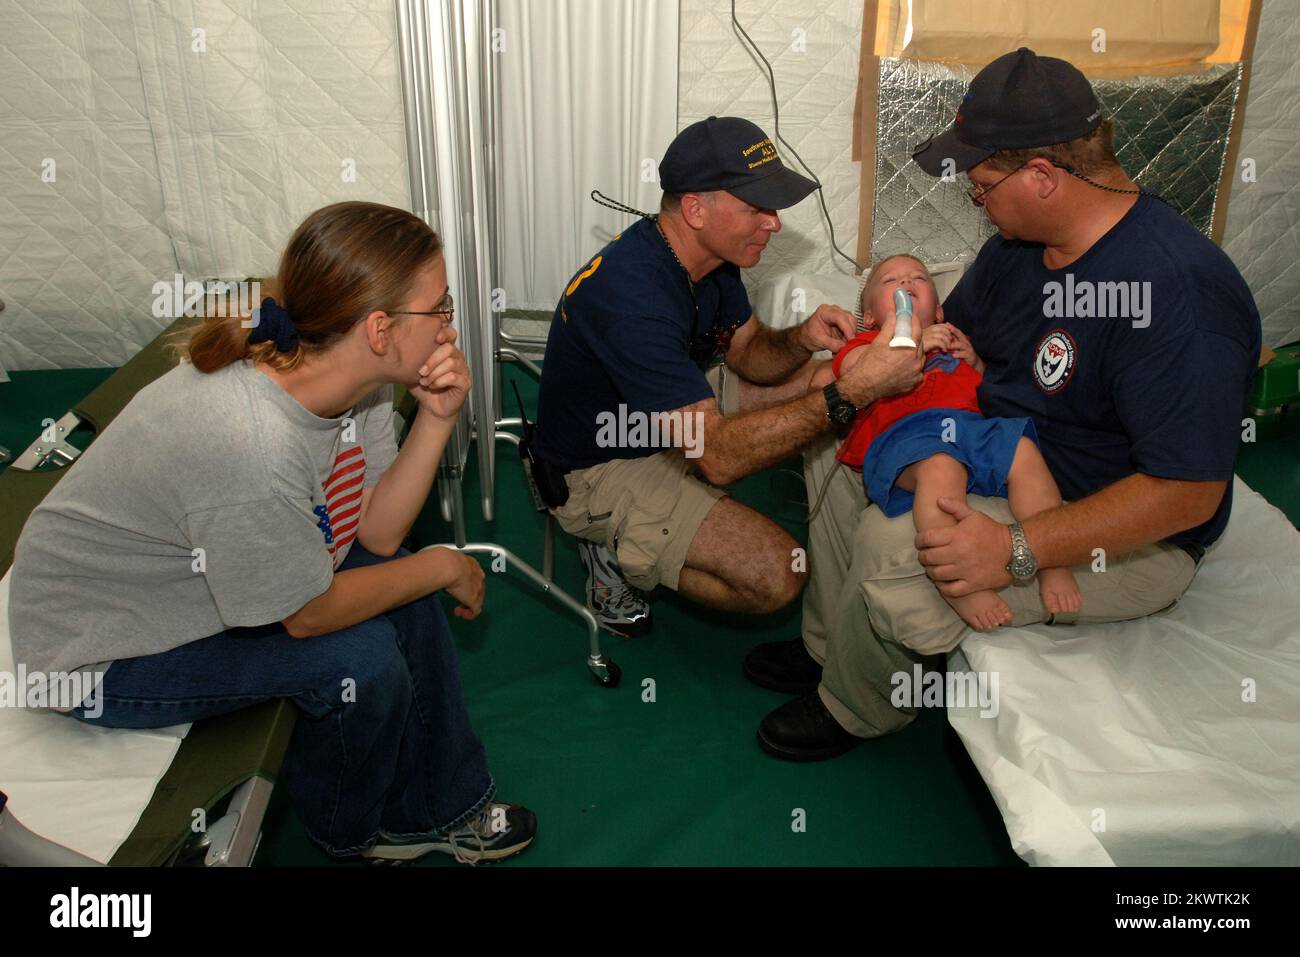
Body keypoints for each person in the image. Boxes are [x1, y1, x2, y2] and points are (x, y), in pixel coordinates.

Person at [747, 48, 1262, 761]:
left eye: (982, 186)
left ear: (1045, 176)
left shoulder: (1179, 296)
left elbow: (1188, 493)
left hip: (1114, 526)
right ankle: (829, 645)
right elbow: (952, 346)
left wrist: (1018, 549)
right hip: (995, 449)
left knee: (894, 546)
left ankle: (860, 705)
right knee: (837, 445)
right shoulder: (1019, 248)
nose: (975, 200)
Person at [8, 201, 536, 864]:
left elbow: (374, 529)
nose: (449, 324)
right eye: (440, 306)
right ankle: (354, 831)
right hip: (94, 650)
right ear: (379, 328)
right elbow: (309, 617)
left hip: (180, 583)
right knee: (362, 659)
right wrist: (441, 566)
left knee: (397, 581)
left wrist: (436, 418)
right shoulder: (250, 442)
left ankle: (438, 804)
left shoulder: (354, 385)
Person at [533, 116, 923, 637]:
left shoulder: (713, 258)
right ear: (695, 209)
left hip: (661, 418)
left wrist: (802, 338)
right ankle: (610, 551)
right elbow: (717, 455)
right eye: (756, 208)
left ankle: (641, 530)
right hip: (600, 463)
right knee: (780, 574)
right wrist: (851, 391)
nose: (775, 223)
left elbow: (748, 355)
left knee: (822, 375)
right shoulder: (632, 299)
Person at [807, 253, 1081, 631]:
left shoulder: (953, 339)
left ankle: (1051, 558)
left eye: (918, 278)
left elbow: (986, 391)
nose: (906, 283)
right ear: (869, 317)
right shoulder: (864, 345)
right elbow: (856, 374)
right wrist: (914, 344)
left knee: (1024, 451)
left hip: (970, 430)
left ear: (937, 310)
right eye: (890, 281)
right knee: (941, 469)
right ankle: (954, 581)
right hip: (908, 437)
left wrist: (976, 363)